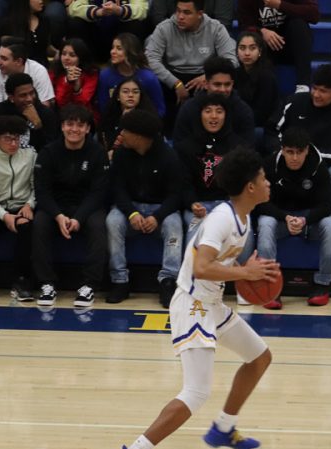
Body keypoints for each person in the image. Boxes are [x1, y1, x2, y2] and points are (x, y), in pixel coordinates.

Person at [111, 146, 280, 449]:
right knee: (196, 391)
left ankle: (223, 428)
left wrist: (243, 268)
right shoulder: (221, 219)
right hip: (193, 305)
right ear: (249, 187)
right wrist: (246, 275)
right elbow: (202, 268)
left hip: (212, 303)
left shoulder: (242, 219)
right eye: (263, 178)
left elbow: (216, 265)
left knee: (259, 357)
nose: (268, 183)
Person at [274, 63, 331, 260]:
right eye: (314, 88)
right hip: (287, 161)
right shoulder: (294, 102)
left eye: (323, 91)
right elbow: (273, 130)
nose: (317, 94)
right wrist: (287, 153)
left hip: (323, 169)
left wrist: (310, 156)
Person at [105, 109, 185, 307]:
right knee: (112, 221)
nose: (121, 134)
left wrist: (157, 216)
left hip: (160, 209)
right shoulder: (122, 154)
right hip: (130, 207)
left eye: (126, 130)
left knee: (174, 225)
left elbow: (176, 195)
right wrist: (131, 212)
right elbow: (117, 188)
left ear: (139, 137)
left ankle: (168, 281)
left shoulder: (168, 155)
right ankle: (119, 280)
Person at [32, 103, 108, 307]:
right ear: (62, 127)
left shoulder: (97, 152)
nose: (74, 129)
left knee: (99, 225)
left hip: (87, 207)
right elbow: (42, 191)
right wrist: (58, 215)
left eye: (80, 125)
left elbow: (98, 192)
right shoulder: (48, 152)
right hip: (57, 206)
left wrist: (78, 218)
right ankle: (47, 284)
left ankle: (89, 285)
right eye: (69, 124)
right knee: (39, 223)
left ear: (88, 129)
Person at [257, 126, 331, 308]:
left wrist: (305, 220)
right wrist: (285, 217)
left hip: (309, 220)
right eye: (289, 152)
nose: (294, 158)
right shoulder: (269, 165)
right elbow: (260, 203)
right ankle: (269, 285)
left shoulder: (319, 167)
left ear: (307, 150)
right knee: (265, 223)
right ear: (282, 150)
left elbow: (326, 205)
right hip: (280, 219)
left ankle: (323, 284)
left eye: (299, 152)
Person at [144, 0, 237, 127]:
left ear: (200, 14)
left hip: (204, 78)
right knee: (149, 78)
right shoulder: (164, 28)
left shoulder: (215, 28)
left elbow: (232, 61)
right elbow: (150, 59)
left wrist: (208, 76)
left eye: (187, 13)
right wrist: (175, 83)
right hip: (172, 77)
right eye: (178, 11)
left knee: (223, 82)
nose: (180, 17)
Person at [0, 115, 37, 301]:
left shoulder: (31, 154)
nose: (13, 143)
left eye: (16, 138)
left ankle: (21, 280)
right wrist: (4, 216)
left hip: (21, 205)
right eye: (8, 139)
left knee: (26, 226)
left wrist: (30, 204)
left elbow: (38, 186)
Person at [174, 93, 246, 245]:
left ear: (226, 115)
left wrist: (232, 205)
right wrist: (192, 203)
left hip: (229, 204)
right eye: (208, 111)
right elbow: (183, 183)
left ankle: (243, 269)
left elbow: (242, 184)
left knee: (242, 236)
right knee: (197, 236)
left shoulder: (238, 146)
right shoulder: (185, 147)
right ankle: (194, 269)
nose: (214, 116)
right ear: (200, 114)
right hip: (198, 205)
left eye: (219, 111)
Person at [172, 55, 255, 146]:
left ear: (232, 84)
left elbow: (247, 150)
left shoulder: (243, 111)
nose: (223, 90)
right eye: (217, 85)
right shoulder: (189, 109)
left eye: (227, 85)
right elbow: (179, 148)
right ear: (206, 84)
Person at [237, 0, 318, 93]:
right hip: (265, 48)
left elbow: (314, 15)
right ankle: (267, 93)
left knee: (299, 24)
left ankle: (303, 86)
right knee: (251, 40)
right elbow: (244, 25)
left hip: (291, 45)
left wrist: (280, 5)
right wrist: (261, 31)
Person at [96, 32, 164, 117]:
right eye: (112, 48)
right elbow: (103, 107)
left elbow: (160, 109)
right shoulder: (105, 75)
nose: (112, 52)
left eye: (119, 48)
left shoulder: (148, 78)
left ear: (131, 51)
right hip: (113, 122)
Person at [0, 72, 59, 150]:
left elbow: (50, 146)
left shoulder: (45, 113)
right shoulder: (0, 112)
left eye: (31, 93)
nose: (29, 99)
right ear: (11, 97)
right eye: (23, 95)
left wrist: (38, 127)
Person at [66, 0, 148, 64]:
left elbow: (142, 9)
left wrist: (120, 10)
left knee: (136, 24)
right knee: (75, 23)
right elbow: (74, 9)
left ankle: (129, 68)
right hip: (93, 38)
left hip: (120, 39)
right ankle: (82, 68)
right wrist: (98, 12)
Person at [0, 36, 55, 108]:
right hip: (5, 117)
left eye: (4, 59)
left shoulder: (39, 71)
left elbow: (45, 105)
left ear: (18, 61)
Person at [97, 75, 156, 159]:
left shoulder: (149, 118)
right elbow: (107, 145)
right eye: (125, 91)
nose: (131, 95)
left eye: (135, 92)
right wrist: (123, 121)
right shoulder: (109, 116)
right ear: (117, 97)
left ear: (140, 96)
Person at [234, 30, 281, 135]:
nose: (247, 53)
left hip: (264, 125)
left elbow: (263, 112)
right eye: (242, 48)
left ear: (260, 51)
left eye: (252, 48)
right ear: (236, 52)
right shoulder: (234, 74)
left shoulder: (267, 76)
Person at [48, 37, 97, 113]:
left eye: (72, 55)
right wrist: (67, 82)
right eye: (64, 54)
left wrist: (77, 89)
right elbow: (60, 102)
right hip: (60, 114)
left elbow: (83, 103)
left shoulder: (91, 73)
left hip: (84, 114)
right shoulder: (54, 71)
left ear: (81, 57)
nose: (66, 58)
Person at [0, 0, 52, 66]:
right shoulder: (8, 24)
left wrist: (60, 52)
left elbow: (47, 47)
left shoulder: (45, 21)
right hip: (18, 68)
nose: (41, 1)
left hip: (42, 67)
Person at [149, 0, 233, 30]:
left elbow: (224, 22)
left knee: (231, 43)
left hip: (208, 36)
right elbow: (158, 18)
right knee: (150, 41)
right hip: (173, 33)